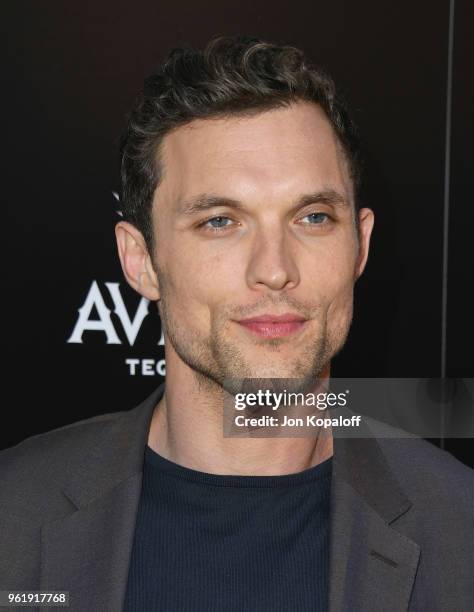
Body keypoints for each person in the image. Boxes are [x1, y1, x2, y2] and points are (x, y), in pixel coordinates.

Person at [0, 35, 473, 612]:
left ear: (360, 245)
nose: (274, 270)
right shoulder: (15, 512)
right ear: (141, 261)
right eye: (221, 221)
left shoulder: (460, 529)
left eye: (314, 217)